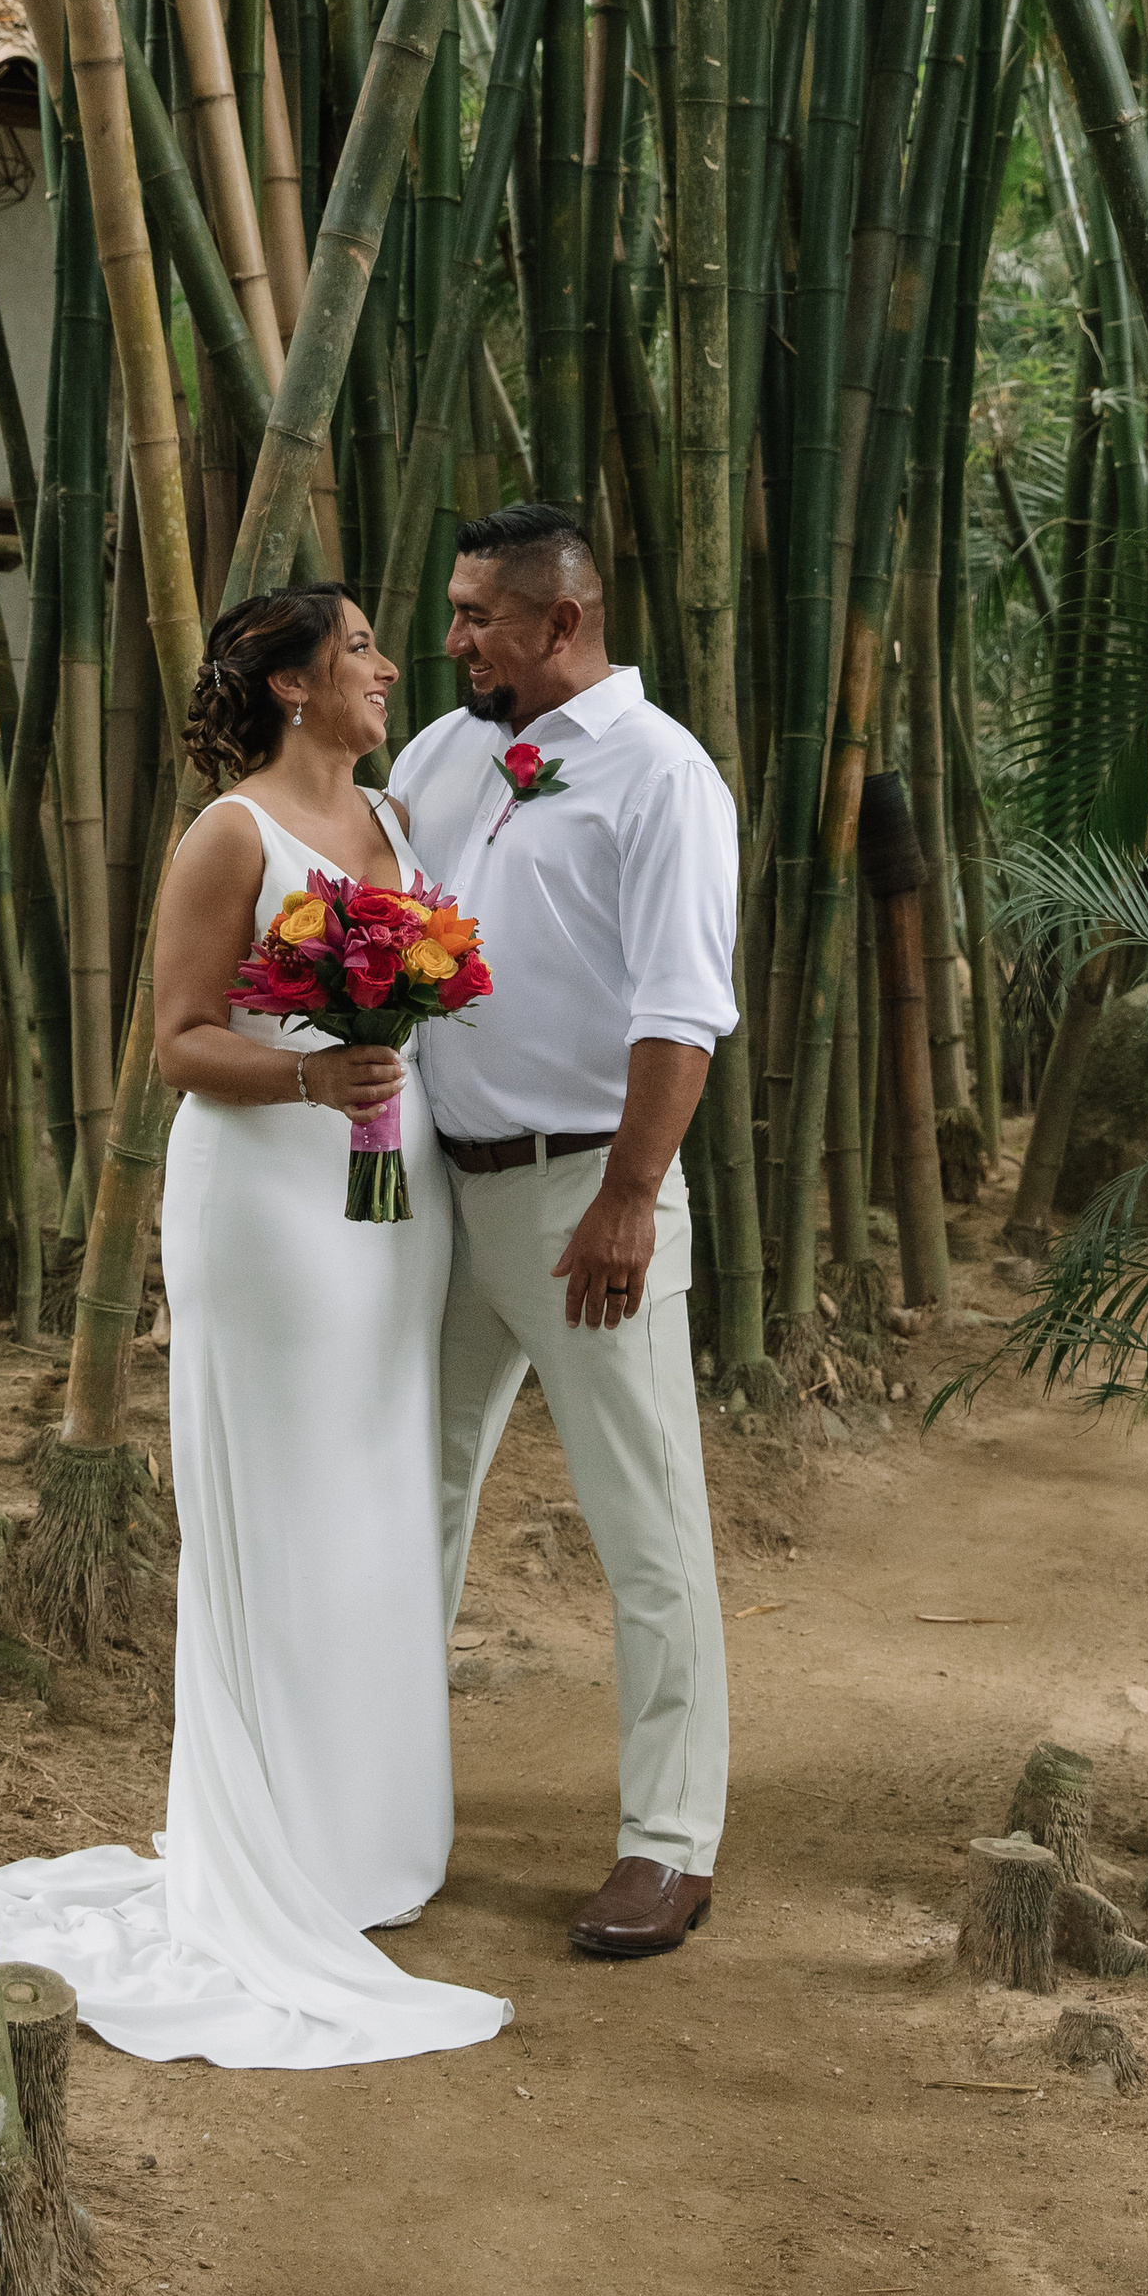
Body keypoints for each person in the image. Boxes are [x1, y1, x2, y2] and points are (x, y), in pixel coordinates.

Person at [0, 583, 511, 2069]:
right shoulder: (231, 834)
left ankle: (370, 1845)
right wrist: (306, 1079)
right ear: (289, 685)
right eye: (359, 648)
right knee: (282, 1500)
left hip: (387, 1194)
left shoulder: (399, 824)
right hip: (269, 1204)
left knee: (375, 1493)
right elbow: (175, 1042)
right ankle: (273, 1844)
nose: (388, 666)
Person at [389, 502, 736, 1962]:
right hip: (436, 1193)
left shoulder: (662, 778)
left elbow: (682, 1009)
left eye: (478, 616)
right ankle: (382, 1806)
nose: (453, 638)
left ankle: (670, 1842)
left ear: (562, 624)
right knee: (412, 1506)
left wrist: (627, 1202)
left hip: (584, 1195)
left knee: (644, 1527)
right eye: (456, 609)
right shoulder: (448, 751)